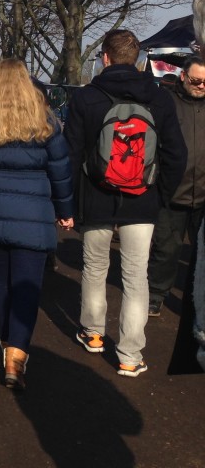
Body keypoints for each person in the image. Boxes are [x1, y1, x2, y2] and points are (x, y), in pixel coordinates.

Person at [65, 29, 187, 377]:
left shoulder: (87, 98)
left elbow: (71, 154)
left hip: (95, 196)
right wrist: (160, 193)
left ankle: (93, 333)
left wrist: (68, 204)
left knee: (95, 268)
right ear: (137, 59)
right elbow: (176, 154)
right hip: (143, 198)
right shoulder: (160, 97)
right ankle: (130, 356)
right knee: (136, 277)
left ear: (104, 57)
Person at [0, 59, 75, 390]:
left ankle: (5, 339)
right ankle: (16, 355)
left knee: (0, 282)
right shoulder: (46, 121)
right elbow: (60, 171)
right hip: (34, 212)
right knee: (27, 286)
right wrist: (65, 209)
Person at [148, 55, 205, 318]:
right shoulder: (166, 103)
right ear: (183, 76)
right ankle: (157, 294)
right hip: (172, 192)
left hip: (203, 195)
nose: (201, 86)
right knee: (166, 249)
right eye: (196, 80)